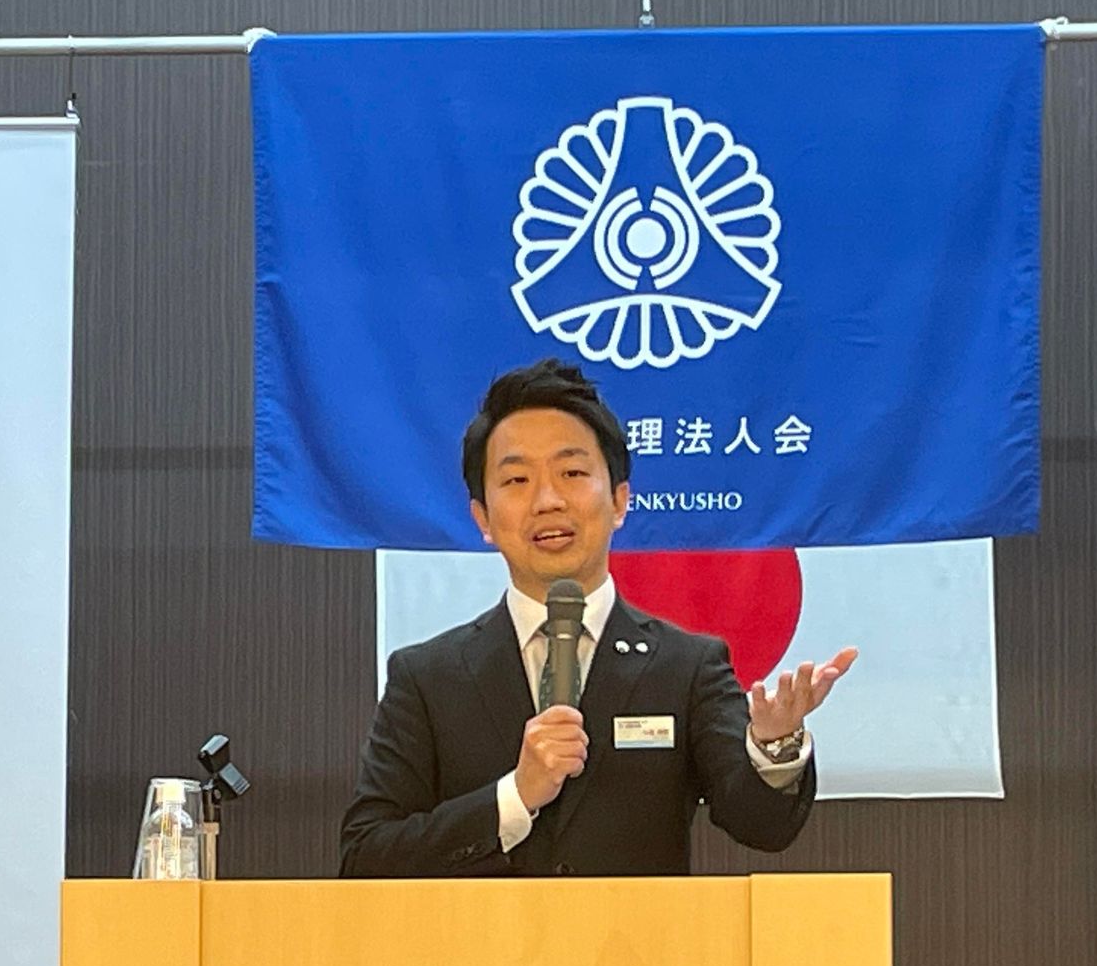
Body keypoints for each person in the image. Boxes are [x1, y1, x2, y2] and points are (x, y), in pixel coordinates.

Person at [340, 358, 856, 877]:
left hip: (637, 933)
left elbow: (762, 826)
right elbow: (366, 857)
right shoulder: (427, 678)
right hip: (481, 934)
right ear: (483, 519)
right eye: (516, 479)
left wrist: (773, 744)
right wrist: (515, 797)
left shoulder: (686, 667)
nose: (547, 500)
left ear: (619, 501)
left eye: (571, 473)